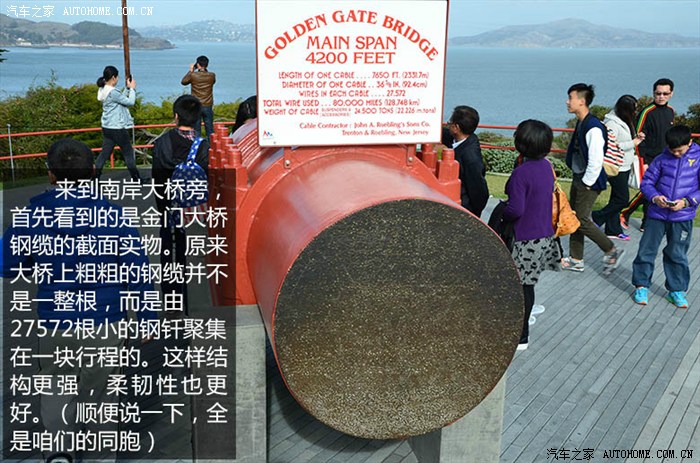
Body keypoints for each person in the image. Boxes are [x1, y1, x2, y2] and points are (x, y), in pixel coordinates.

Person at [1, 138, 156, 463]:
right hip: (106, 323)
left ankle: (59, 454)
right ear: (93, 173)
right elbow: (138, 272)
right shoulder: (114, 216)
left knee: (56, 390)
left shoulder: (32, 215)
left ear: (51, 174)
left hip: (55, 323)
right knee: (102, 396)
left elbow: (6, 264)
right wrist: (147, 319)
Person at [502, 120, 561, 350]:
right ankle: (524, 322)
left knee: (521, 288)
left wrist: (502, 212)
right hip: (543, 234)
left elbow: (516, 209)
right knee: (528, 285)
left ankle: (521, 336)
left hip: (525, 238)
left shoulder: (521, 173)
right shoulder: (546, 166)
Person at [152, 94, 210, 317]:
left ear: (176, 116)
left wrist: (163, 207)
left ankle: (172, 301)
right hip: (194, 212)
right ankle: (191, 300)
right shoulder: (204, 147)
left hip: (169, 208)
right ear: (198, 119)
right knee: (192, 255)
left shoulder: (162, 143)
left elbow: (158, 180)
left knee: (169, 252)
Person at [631, 125, 700, 308]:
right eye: (672, 150)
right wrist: (655, 197)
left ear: (690, 142)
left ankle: (676, 290)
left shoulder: (698, 159)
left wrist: (687, 202)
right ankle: (641, 286)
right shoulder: (661, 159)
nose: (675, 153)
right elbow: (647, 183)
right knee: (646, 251)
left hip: (682, 217)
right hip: (656, 214)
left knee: (677, 254)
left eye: (679, 150)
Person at [561, 83, 624, 274]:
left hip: (588, 181)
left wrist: (586, 184)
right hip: (580, 176)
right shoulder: (583, 122)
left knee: (581, 219)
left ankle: (611, 250)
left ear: (582, 101)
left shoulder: (593, 127)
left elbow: (596, 160)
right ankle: (576, 259)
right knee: (575, 217)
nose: (567, 102)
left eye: (570, 98)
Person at [620, 78, 676, 231]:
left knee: (656, 190)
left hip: (665, 158)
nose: (661, 97)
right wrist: (643, 160)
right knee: (649, 190)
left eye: (665, 93)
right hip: (648, 159)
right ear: (653, 93)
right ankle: (626, 212)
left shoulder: (670, 111)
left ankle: (643, 220)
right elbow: (638, 137)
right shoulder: (647, 112)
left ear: (671, 94)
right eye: (658, 93)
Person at [592, 95, 646, 239]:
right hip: (617, 165)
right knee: (622, 199)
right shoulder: (612, 123)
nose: (635, 111)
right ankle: (597, 217)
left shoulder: (624, 120)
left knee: (616, 197)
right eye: (634, 109)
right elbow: (612, 145)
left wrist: (636, 138)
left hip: (625, 164)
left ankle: (613, 230)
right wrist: (633, 143)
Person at [94, 65, 142, 181]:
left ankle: (95, 178)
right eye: (117, 77)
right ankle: (136, 178)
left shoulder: (103, 90)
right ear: (113, 78)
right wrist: (132, 89)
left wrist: (127, 88)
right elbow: (130, 102)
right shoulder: (113, 92)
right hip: (117, 128)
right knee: (128, 153)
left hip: (107, 127)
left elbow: (120, 99)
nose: (118, 79)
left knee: (104, 154)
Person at [442, 105, 489, 217]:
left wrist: (471, 213)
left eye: (450, 123)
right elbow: (444, 134)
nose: (448, 125)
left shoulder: (471, 157)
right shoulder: (461, 139)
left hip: (464, 208)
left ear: (456, 128)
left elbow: (478, 190)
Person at [181, 55, 216, 138]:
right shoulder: (212, 75)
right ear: (207, 64)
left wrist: (191, 71)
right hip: (208, 105)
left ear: (198, 64)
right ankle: (210, 145)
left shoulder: (193, 75)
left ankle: (198, 145)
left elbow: (183, 82)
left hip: (196, 105)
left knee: (196, 130)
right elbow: (213, 82)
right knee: (210, 129)